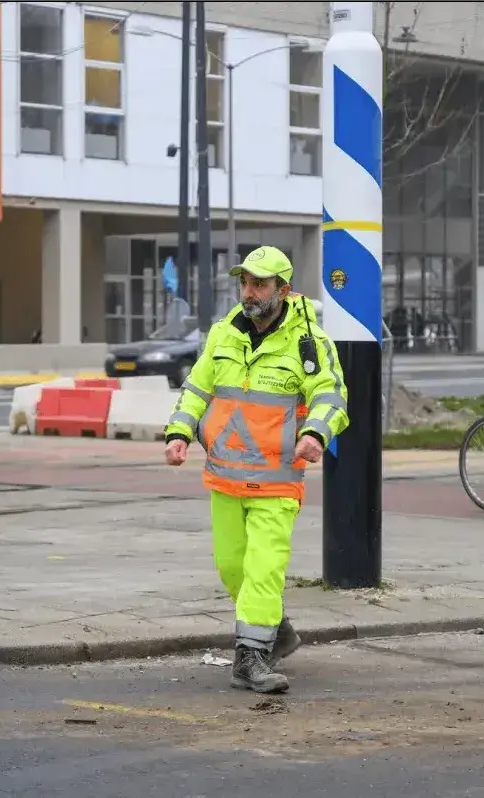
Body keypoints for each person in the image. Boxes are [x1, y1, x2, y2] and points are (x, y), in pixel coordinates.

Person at [164, 246, 349, 694]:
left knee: (264, 568)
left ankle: (250, 658)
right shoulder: (223, 334)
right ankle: (278, 631)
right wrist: (179, 432)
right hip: (225, 474)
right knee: (233, 568)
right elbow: (197, 387)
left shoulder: (309, 343)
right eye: (245, 282)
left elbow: (331, 395)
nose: (250, 292)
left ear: (283, 290)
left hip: (276, 479)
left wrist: (316, 434)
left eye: (260, 284)